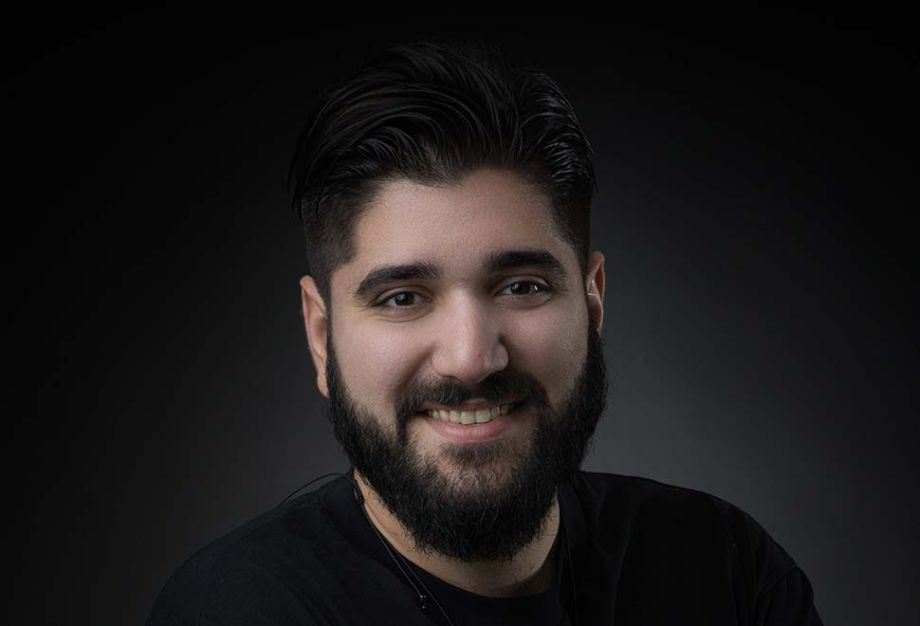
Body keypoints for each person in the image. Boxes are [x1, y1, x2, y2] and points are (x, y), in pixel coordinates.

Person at [146, 37, 824, 625]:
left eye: (521, 286)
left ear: (592, 302)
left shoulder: (727, 569)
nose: (472, 358)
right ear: (322, 336)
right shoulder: (241, 610)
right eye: (403, 297)